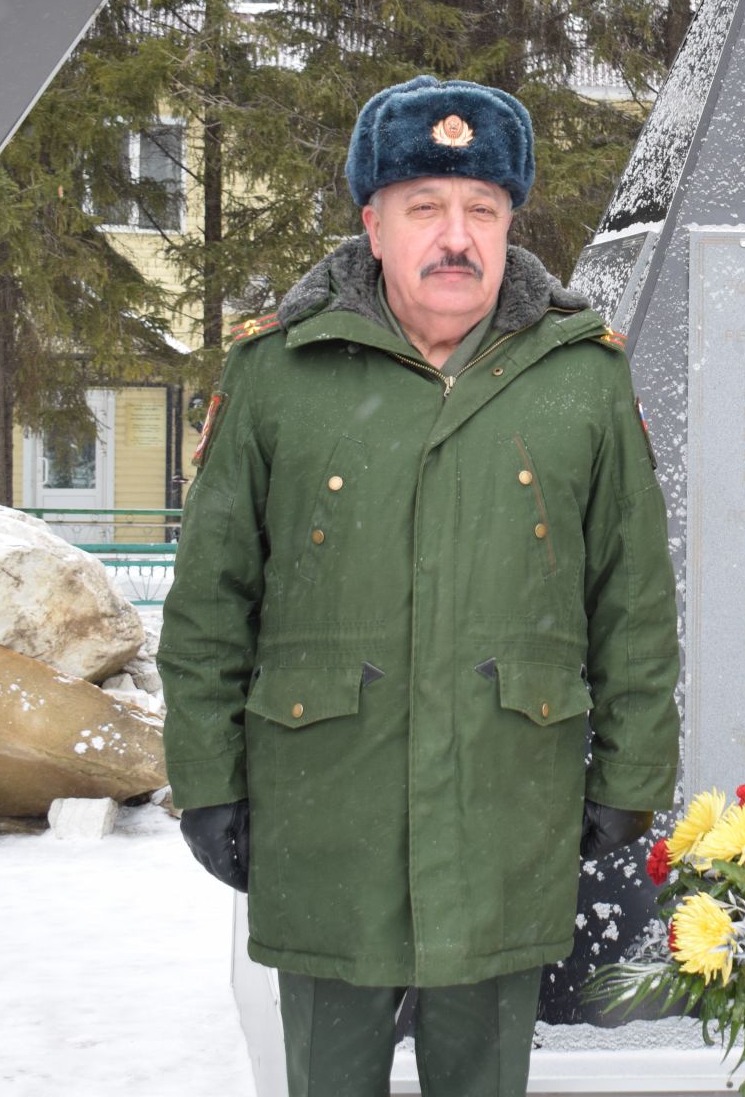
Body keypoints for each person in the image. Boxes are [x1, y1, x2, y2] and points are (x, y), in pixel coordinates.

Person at [160, 75, 681, 1097]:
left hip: (504, 804)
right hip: (326, 811)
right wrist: (207, 775)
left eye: (482, 209)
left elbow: (634, 602)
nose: (458, 236)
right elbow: (211, 600)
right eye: (426, 207)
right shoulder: (279, 372)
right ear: (373, 222)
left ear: (510, 222)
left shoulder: (582, 376)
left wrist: (629, 777)